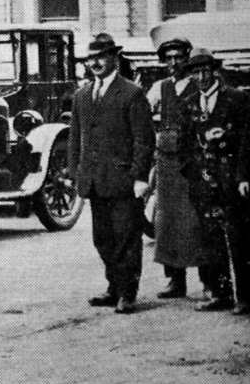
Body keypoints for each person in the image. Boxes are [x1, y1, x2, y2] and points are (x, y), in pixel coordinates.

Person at [70, 33, 154, 314]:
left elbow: (144, 140)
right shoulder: (82, 95)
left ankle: (127, 293)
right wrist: (75, 172)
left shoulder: (132, 93)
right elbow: (75, 138)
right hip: (94, 181)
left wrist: (140, 178)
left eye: (101, 57)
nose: (95, 63)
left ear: (113, 59)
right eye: (90, 58)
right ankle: (113, 287)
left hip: (123, 181)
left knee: (126, 238)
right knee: (102, 238)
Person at [179, 54, 250, 313]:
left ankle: (244, 296)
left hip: (231, 179)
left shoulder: (236, 99)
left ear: (215, 71)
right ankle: (220, 293)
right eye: (196, 73)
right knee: (211, 238)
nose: (201, 77)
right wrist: (193, 175)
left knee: (238, 237)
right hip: (203, 181)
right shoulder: (188, 103)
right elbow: (184, 145)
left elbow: (246, 141)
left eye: (206, 71)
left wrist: (243, 176)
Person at [145, 37, 213, 299]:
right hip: (166, 163)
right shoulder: (159, 88)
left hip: (195, 161)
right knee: (167, 222)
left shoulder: (200, 85)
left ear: (188, 58)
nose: (174, 63)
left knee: (198, 221)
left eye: (179, 58)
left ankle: (208, 282)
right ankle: (175, 281)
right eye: (169, 58)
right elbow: (141, 113)